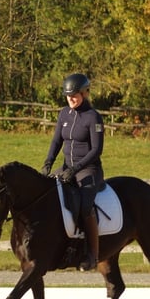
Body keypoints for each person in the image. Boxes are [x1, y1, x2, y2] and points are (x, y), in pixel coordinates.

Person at [41, 73, 104, 271]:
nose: (71, 99)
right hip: (67, 167)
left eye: (75, 95)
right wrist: (48, 163)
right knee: (46, 193)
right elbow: (56, 141)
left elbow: (96, 150)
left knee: (85, 206)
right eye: (68, 96)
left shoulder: (93, 117)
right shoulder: (64, 114)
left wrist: (77, 168)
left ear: (85, 93)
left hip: (88, 170)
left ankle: (92, 255)